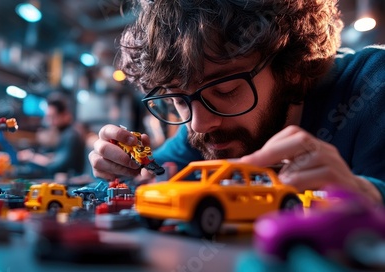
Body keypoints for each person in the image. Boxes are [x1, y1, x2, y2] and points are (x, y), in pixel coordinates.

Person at [89, 0, 385, 204]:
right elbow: (152, 178)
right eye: (179, 99)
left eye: (226, 89)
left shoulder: (374, 87)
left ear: (292, 67)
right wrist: (121, 170)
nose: (199, 124)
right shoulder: (204, 120)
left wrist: (369, 196)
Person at [18, 95, 86, 179]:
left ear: (64, 115)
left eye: (53, 117)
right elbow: (56, 156)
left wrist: (31, 157)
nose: (50, 121)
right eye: (48, 117)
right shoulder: (65, 133)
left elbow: (56, 166)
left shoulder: (71, 135)